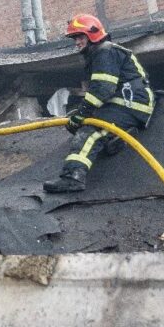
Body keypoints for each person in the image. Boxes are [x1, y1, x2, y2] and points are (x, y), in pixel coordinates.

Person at [43, 14, 155, 193]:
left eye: (80, 37)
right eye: (75, 38)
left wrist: (83, 113)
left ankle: (73, 178)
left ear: (92, 34)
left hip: (128, 103)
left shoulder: (105, 50)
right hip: (124, 103)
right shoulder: (100, 53)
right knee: (78, 122)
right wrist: (80, 114)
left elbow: (102, 89)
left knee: (89, 133)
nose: (77, 42)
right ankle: (115, 137)